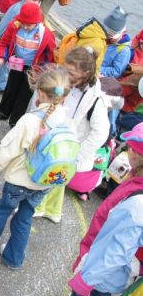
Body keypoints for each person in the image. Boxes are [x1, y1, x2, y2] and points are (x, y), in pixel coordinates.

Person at [0, 67, 73, 269]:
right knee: (24, 218)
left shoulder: (30, 120)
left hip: (19, 182)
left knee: (2, 210)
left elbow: (8, 150)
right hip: (44, 183)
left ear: (39, 92)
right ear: (65, 96)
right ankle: (13, 258)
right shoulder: (68, 122)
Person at [64, 125, 143, 296]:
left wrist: (87, 280)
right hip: (97, 263)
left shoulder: (137, 205)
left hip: (101, 276)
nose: (127, 150)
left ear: (138, 155)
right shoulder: (135, 177)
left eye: (131, 148)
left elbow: (117, 251)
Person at [35, 47, 110, 222]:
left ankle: (38, 207)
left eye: (71, 72)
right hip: (58, 140)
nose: (66, 75)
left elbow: (101, 132)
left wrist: (78, 153)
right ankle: (52, 211)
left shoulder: (95, 99)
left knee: (47, 174)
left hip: (69, 146)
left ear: (86, 73)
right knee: (57, 179)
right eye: (65, 69)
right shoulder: (70, 84)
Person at [0, 2, 56, 127]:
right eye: (23, 23)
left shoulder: (46, 33)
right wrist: (1, 58)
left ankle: (15, 121)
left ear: (37, 22)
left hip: (34, 68)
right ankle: (2, 112)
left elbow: (51, 53)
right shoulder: (15, 25)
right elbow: (5, 42)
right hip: (17, 62)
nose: (25, 27)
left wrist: (45, 69)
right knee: (10, 88)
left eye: (29, 25)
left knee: (25, 94)